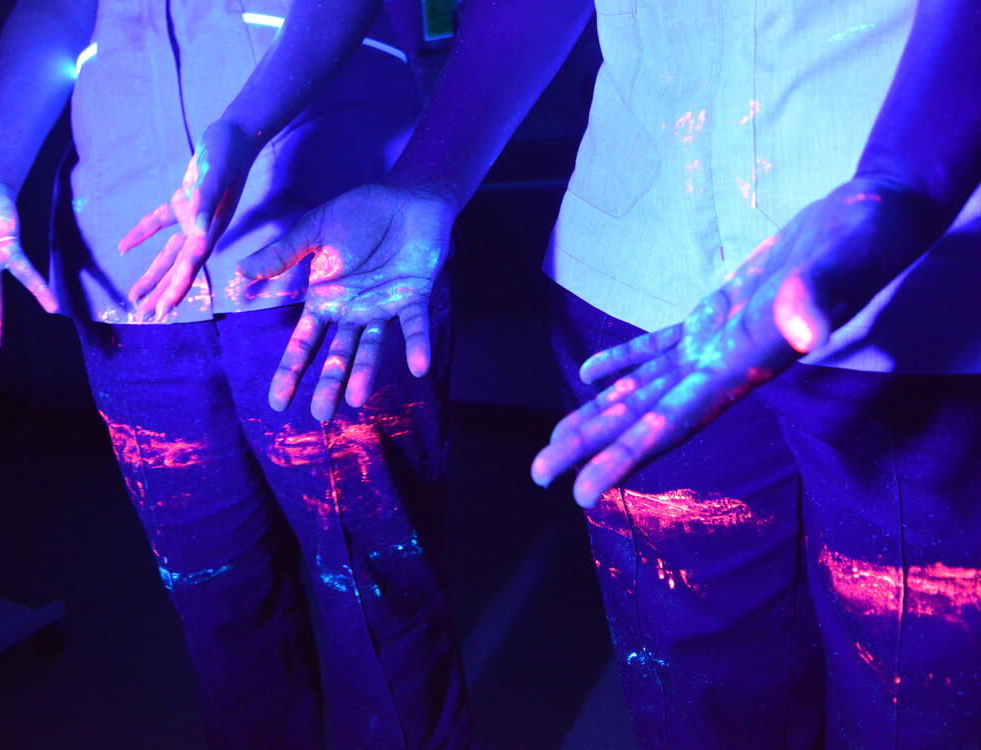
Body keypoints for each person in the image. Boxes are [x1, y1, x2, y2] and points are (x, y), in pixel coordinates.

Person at [238, 0, 981, 746]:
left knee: (922, 709)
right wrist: (431, 177)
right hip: (636, 266)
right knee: (695, 703)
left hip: (923, 283)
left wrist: (901, 177)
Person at [0, 1, 473, 747]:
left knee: (378, 598)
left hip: (324, 244)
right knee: (219, 606)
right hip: (133, 275)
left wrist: (248, 124)